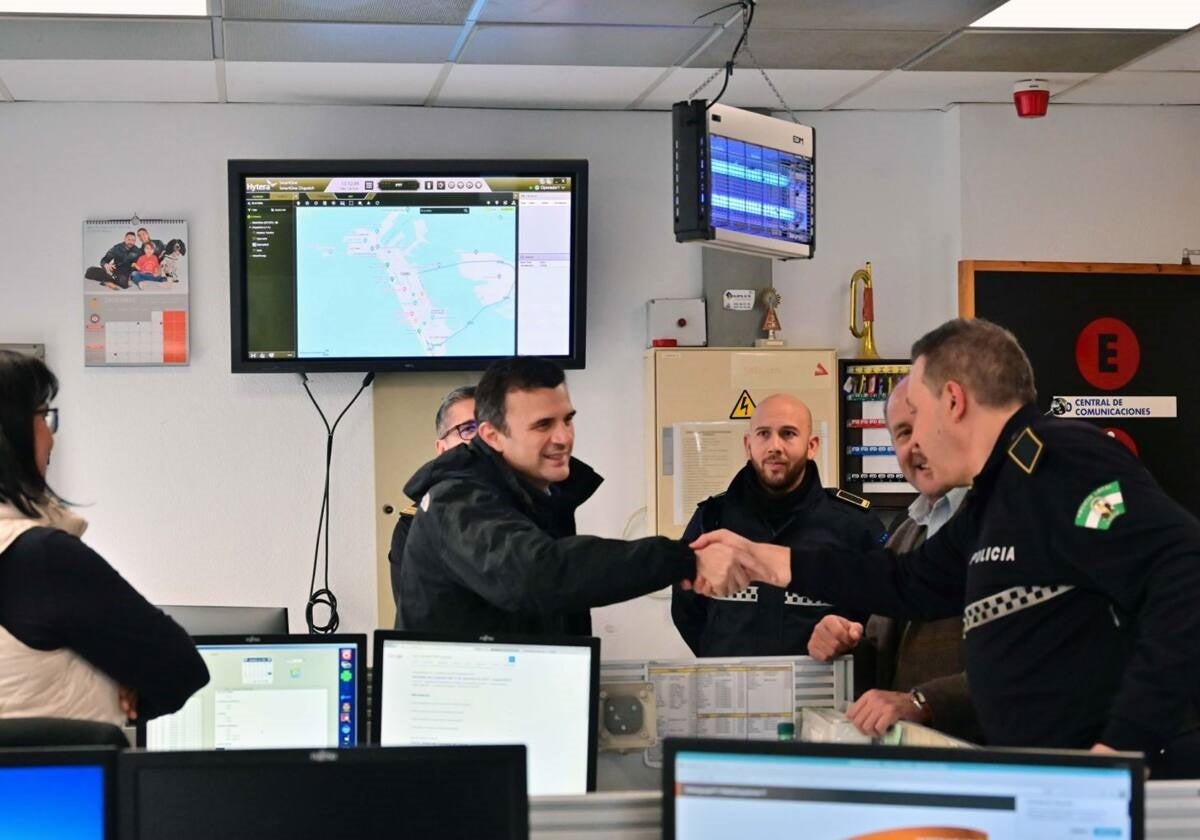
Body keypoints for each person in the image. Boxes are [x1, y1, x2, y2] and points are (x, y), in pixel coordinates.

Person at [693, 318, 1200, 776]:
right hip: (1050, 776)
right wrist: (764, 559)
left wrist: (1124, 747)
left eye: (917, 411)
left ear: (953, 401)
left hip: (1129, 782)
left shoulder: (1061, 462)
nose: (910, 444)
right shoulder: (995, 497)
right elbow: (906, 582)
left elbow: (1183, 569)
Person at [396, 356, 746, 636]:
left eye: (568, 420)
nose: (564, 438)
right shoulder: (457, 500)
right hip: (462, 716)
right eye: (543, 425)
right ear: (492, 436)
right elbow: (539, 575)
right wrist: (684, 560)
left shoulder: (538, 496)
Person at [0, 350, 208, 725]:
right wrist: (120, 684)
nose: (51, 437)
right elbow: (180, 670)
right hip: (59, 782)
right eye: (43, 416)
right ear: (11, 433)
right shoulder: (40, 559)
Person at [808, 376, 979, 741]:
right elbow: (884, 649)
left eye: (924, 426)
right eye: (901, 433)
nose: (914, 445)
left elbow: (1034, 659)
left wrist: (923, 702)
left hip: (991, 766)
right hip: (915, 760)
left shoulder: (1009, 522)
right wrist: (845, 644)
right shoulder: (907, 530)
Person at [671, 393, 885, 657]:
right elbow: (686, 609)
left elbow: (881, 615)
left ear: (812, 446)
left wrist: (850, 640)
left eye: (788, 434)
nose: (774, 446)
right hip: (732, 691)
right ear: (748, 445)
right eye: (763, 434)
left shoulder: (854, 524)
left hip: (823, 691)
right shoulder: (711, 519)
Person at [388, 384, 476, 625]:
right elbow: (418, 617)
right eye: (468, 428)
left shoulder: (530, 507)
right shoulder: (415, 523)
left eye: (492, 428)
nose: (481, 439)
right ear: (441, 448)